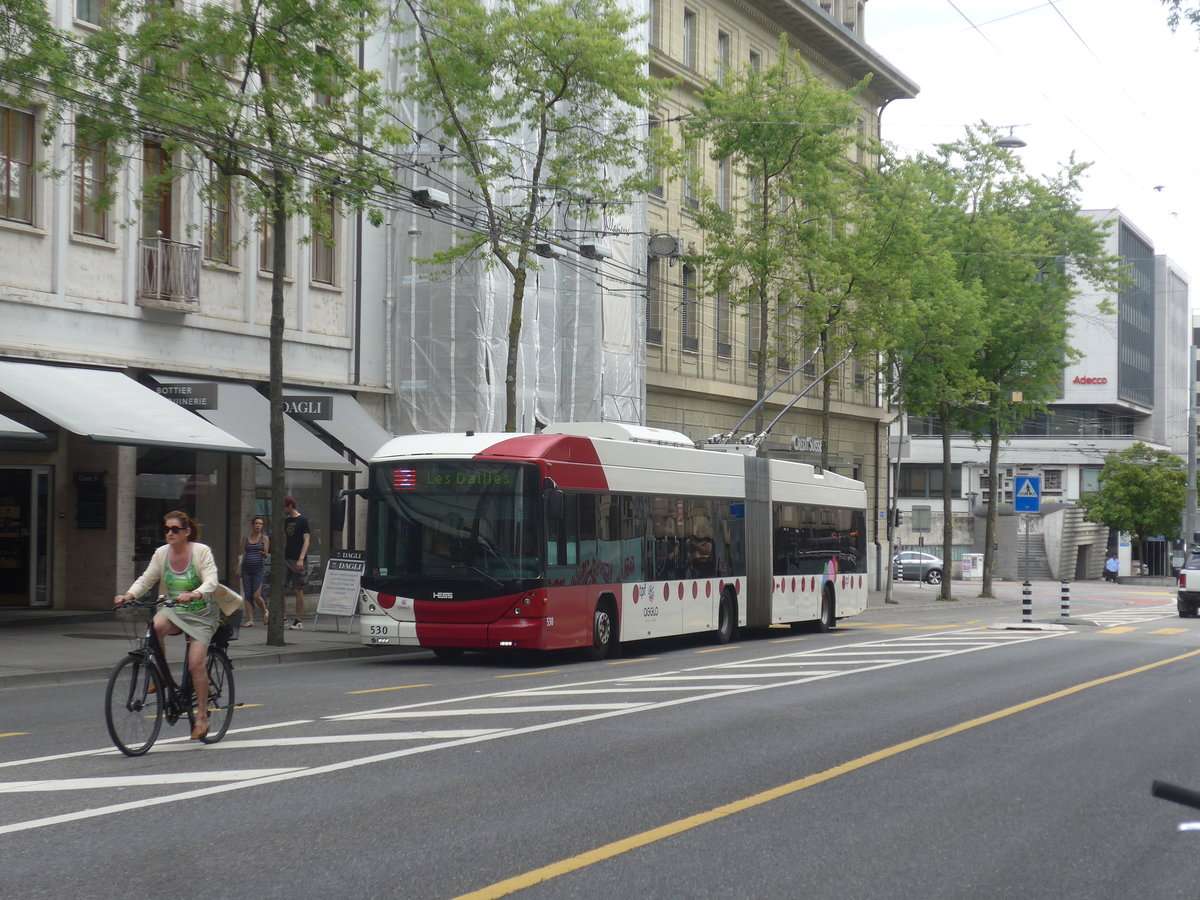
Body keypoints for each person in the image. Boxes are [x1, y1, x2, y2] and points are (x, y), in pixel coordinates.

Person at [113, 510, 218, 741]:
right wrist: (128, 595)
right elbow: (147, 578)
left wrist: (196, 593)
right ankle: (159, 676)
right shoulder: (161, 554)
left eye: (175, 529)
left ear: (186, 532)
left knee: (195, 665)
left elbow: (212, 580)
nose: (169, 533)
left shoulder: (201, 552)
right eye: (166, 529)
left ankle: (201, 717)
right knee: (155, 625)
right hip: (173, 608)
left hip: (200, 613)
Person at [234, 515, 269, 626]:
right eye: (256, 523)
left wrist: (264, 554)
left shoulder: (264, 538)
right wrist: (236, 567)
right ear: (252, 525)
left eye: (260, 524)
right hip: (246, 570)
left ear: (262, 526)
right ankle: (250, 620)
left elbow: (266, 554)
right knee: (248, 595)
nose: (258, 525)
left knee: (255, 595)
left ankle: (265, 611)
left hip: (258, 570)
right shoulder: (246, 538)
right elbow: (240, 554)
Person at [283, 495, 311, 630]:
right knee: (280, 587)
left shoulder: (303, 520)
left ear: (290, 506)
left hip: (298, 559)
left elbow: (306, 540)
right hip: (287, 557)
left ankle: (298, 620)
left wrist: (301, 558)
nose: (283, 510)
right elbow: (286, 538)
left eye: (284, 507)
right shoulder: (287, 521)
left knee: (297, 589)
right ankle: (283, 617)